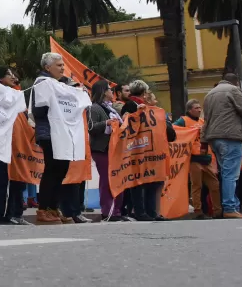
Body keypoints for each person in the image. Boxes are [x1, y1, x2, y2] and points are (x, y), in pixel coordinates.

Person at [33, 52, 83, 225]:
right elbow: (38, 111)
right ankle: (43, 210)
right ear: (47, 67)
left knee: (62, 170)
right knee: (52, 170)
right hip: (49, 133)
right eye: (59, 65)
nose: (63, 68)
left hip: (62, 133)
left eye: (63, 65)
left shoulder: (59, 85)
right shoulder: (42, 83)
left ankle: (54, 209)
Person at [201, 73, 242, 219]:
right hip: (230, 136)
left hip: (214, 138)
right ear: (236, 82)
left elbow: (206, 120)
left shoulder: (209, 94)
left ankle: (233, 206)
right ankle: (230, 207)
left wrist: (203, 142)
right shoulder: (234, 90)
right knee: (231, 174)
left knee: (225, 173)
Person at [120, 81, 173, 221]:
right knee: (138, 181)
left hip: (149, 149)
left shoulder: (149, 108)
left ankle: (151, 212)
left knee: (151, 180)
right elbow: (126, 124)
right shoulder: (131, 106)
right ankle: (140, 212)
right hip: (137, 149)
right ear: (144, 93)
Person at [0, 67, 30, 226]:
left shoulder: (17, 94)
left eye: (14, 73)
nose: (13, 76)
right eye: (8, 74)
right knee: (1, 179)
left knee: (18, 178)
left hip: (17, 143)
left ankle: (14, 214)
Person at [175, 99, 221, 220]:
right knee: (197, 186)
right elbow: (174, 130)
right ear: (189, 110)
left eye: (200, 108)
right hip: (194, 158)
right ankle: (198, 210)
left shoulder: (202, 121)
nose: (199, 110)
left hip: (206, 158)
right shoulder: (183, 120)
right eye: (196, 108)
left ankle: (218, 211)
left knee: (215, 185)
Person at [88, 79, 126, 221]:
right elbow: (91, 127)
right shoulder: (94, 108)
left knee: (118, 180)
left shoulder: (112, 109)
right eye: (109, 89)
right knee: (107, 180)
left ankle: (117, 210)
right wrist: (106, 123)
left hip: (115, 149)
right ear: (103, 92)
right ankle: (107, 211)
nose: (112, 92)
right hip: (102, 149)